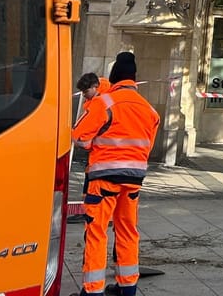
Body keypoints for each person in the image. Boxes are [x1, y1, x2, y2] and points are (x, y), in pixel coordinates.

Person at [74, 52, 160, 296]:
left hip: (103, 179)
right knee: (127, 230)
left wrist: (93, 143)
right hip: (133, 180)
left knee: (96, 232)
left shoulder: (105, 103)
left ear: (112, 77)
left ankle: (93, 290)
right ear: (134, 78)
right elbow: (147, 147)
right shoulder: (150, 110)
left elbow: (80, 137)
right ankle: (127, 287)